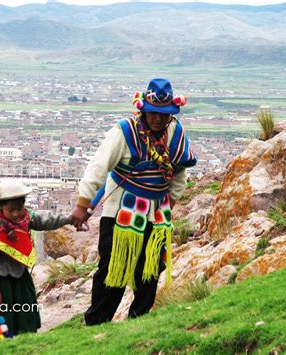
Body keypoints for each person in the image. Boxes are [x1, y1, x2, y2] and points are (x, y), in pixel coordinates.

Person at [71, 78, 197, 325]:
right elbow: (99, 167)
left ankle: (138, 322)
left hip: (157, 213)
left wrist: (171, 201)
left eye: (164, 115)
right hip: (120, 210)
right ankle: (96, 323)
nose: (158, 120)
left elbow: (180, 170)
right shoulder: (123, 132)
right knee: (112, 269)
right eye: (153, 114)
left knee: (149, 270)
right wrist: (82, 202)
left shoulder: (175, 133)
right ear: (143, 110)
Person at [0, 180, 74, 336]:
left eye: (19, 209)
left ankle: (19, 343)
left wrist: (69, 219)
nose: (15, 214)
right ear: (0, 207)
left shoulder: (25, 218)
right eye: (10, 210)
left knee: (22, 316)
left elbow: (45, 220)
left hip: (18, 276)